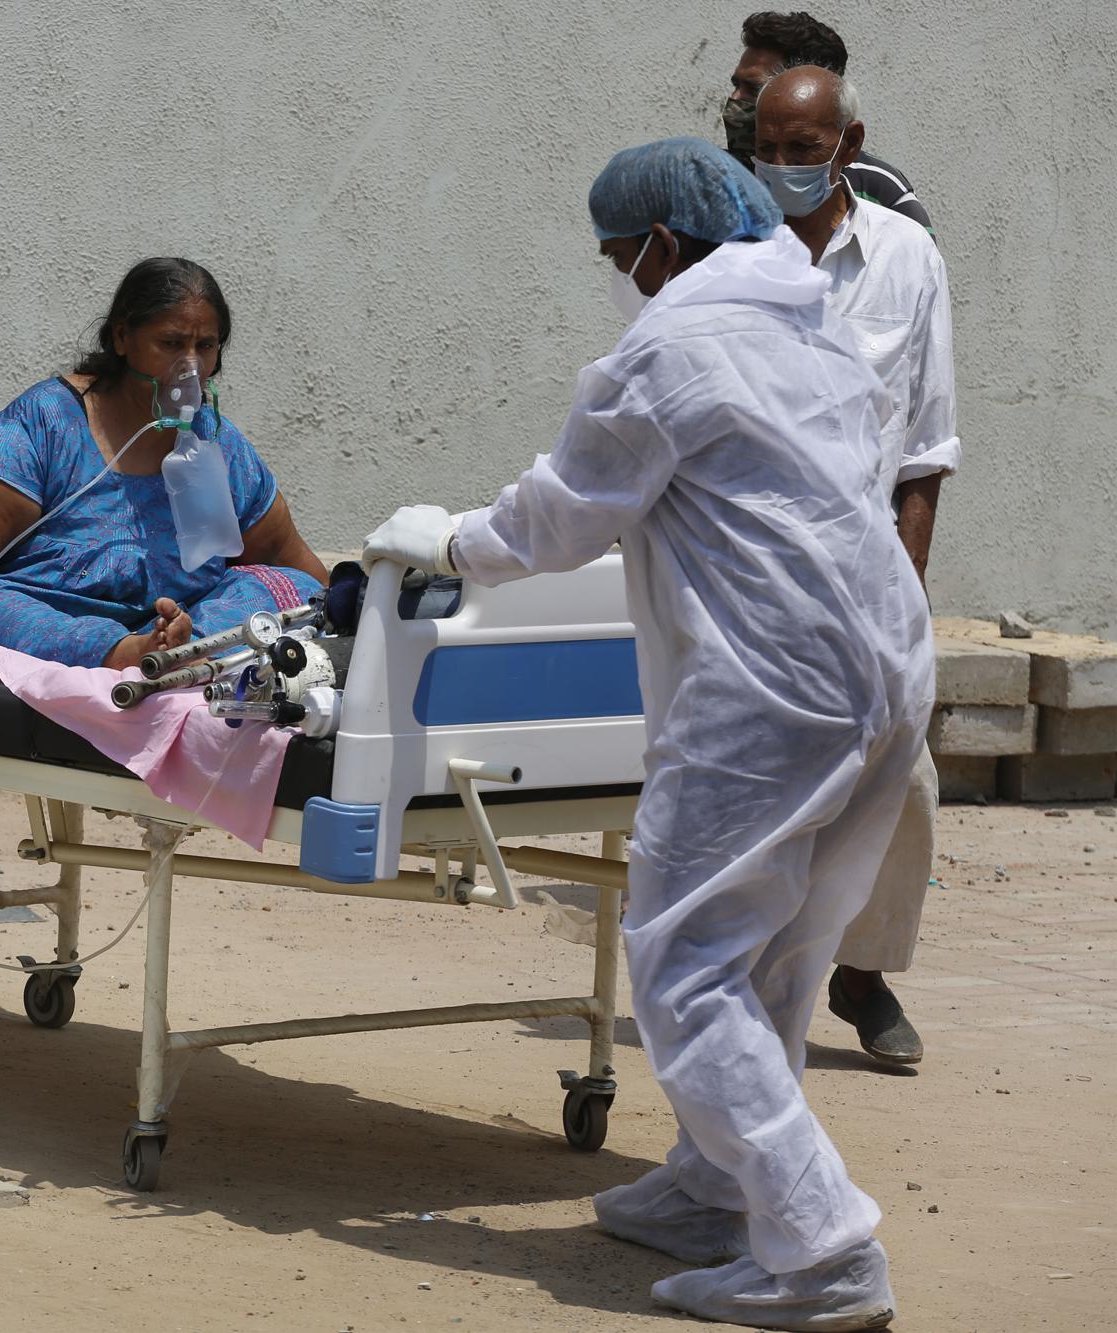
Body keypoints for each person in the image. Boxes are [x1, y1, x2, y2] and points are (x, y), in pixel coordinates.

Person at [364, 140, 929, 1329]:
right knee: (774, 947)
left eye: (617, 255)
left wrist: (447, 539)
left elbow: (561, 518)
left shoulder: (666, 347)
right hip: (882, 663)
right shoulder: (808, 319)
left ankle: (821, 1246)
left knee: (681, 962)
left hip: (769, 685)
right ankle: (716, 1188)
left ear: (661, 248)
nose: (616, 275)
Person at [0, 257, 327, 703]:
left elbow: (291, 559)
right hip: (50, 618)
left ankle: (182, 650)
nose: (191, 368)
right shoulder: (46, 424)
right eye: (171, 344)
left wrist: (359, 609)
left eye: (205, 347)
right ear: (121, 338)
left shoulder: (213, 443)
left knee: (281, 585)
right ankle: (128, 654)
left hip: (175, 624)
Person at [755, 64, 958, 1066]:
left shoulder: (906, 261)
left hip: (865, 571)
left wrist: (904, 593)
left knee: (899, 782)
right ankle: (744, 984)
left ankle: (860, 971)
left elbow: (924, 448)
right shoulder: (733, 259)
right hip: (751, 572)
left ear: (848, 141)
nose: (786, 169)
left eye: (804, 150)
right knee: (759, 787)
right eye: (771, 151)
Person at [721, 11, 934, 236]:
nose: (735, 99)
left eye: (754, 89)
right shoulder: (715, 179)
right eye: (737, 85)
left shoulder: (877, 187)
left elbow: (918, 263)